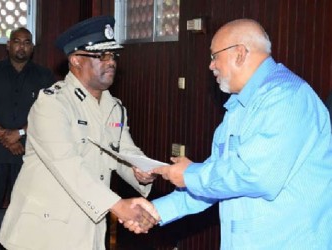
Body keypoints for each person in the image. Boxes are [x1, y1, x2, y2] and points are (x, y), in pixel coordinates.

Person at [127, 19, 332, 249]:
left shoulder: (287, 98)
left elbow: (256, 176)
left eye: (215, 56)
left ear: (240, 54)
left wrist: (191, 175)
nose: (211, 66)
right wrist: (157, 211)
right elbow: (220, 179)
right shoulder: (237, 108)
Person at [0, 16, 158, 250]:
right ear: (75, 60)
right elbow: (67, 164)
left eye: (113, 55)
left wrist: (143, 172)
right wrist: (118, 206)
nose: (110, 62)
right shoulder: (52, 104)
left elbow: (124, 151)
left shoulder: (114, 108)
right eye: (101, 55)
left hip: (88, 229)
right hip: (43, 232)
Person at [0, 27, 55, 210]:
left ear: (32, 47)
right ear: (8, 45)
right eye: (17, 42)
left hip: (29, 153)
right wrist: (6, 137)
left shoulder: (45, 76)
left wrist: (19, 133)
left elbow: (50, 114)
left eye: (26, 43)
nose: (21, 47)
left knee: (26, 211)